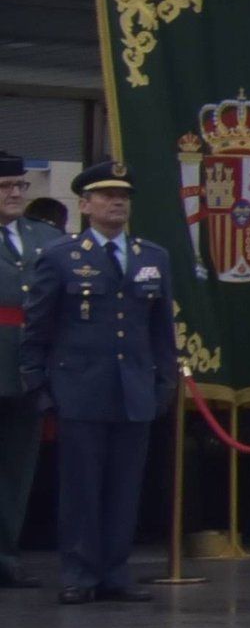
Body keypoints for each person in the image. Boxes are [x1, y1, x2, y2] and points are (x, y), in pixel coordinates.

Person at [25, 163, 179, 603]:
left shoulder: (152, 256)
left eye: (123, 196)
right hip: (80, 386)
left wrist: (164, 381)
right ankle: (79, 572)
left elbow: (161, 328)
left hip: (134, 386)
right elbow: (39, 326)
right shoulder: (61, 256)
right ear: (85, 205)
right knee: (81, 486)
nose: (117, 203)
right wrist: (37, 381)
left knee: (124, 486)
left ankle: (115, 571)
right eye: (107, 196)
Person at [0, 155, 53, 586]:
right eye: (5, 187)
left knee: (18, 466)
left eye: (20, 186)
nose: (15, 194)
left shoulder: (45, 238)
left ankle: (6, 554)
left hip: (29, 367)